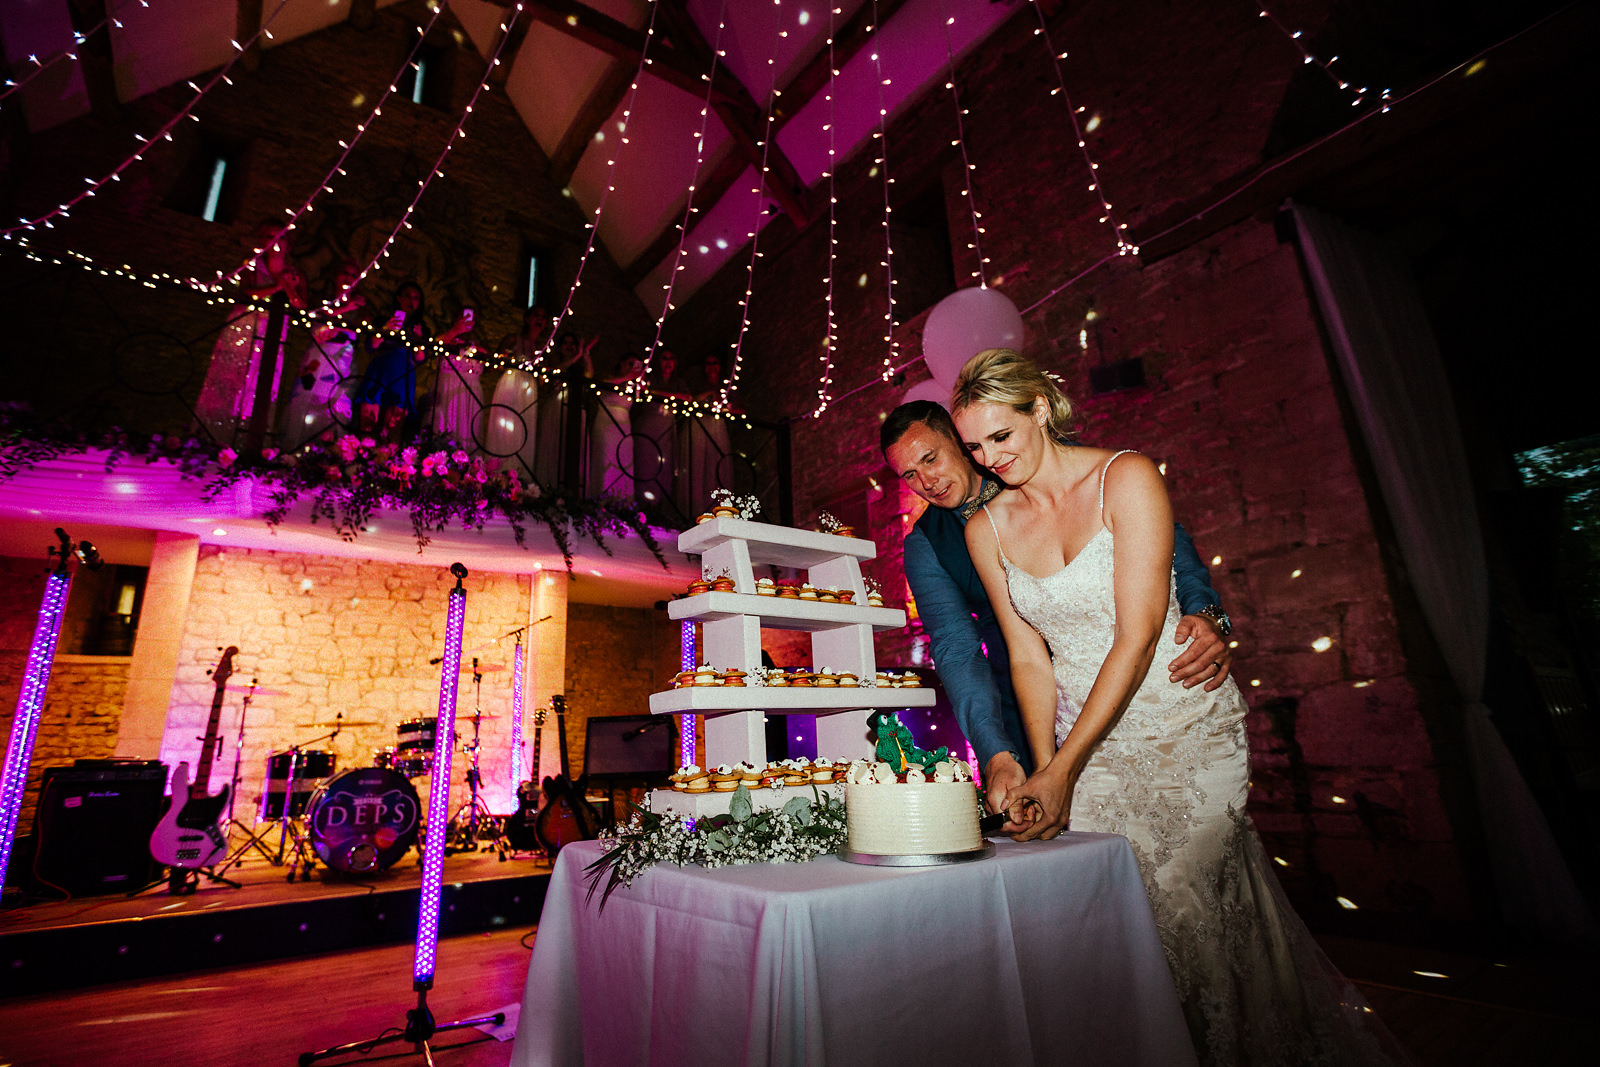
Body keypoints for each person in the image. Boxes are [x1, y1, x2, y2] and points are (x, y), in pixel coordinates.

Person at [950, 348, 1402, 1067]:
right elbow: (1028, 656)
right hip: (1084, 744)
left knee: (1185, 907)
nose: (989, 458)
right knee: (1120, 925)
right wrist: (1046, 770)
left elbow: (1137, 634)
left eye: (1000, 436)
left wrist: (1064, 767)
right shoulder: (985, 527)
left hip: (1182, 725)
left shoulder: (1125, 477)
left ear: (1039, 408)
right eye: (974, 446)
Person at [880, 399, 1232, 813]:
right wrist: (995, 751)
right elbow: (956, 647)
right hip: (1029, 702)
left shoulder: (1050, 466)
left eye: (931, 459)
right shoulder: (924, 545)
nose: (927, 481)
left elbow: (1166, 541)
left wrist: (1206, 613)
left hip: (1133, 666)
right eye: (909, 475)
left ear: (959, 443)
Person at [280, 260, 363, 450]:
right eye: (344, 273)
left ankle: (330, 451)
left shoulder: (361, 307)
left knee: (335, 404)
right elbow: (315, 324)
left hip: (341, 360)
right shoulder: (322, 301)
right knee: (306, 399)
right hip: (317, 358)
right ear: (335, 276)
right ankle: (296, 448)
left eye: (353, 275)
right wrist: (343, 310)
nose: (348, 279)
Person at [356, 281, 427, 441]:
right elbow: (370, 346)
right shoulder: (383, 319)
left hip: (403, 376)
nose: (411, 301)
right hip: (380, 371)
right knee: (367, 425)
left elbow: (421, 358)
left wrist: (419, 339)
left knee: (392, 430)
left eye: (416, 298)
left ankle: (386, 462)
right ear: (399, 298)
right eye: (408, 296)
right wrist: (385, 329)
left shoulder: (420, 326)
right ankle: (360, 460)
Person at [487, 305, 551, 476]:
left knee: (524, 430)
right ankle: (498, 473)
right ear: (527, 319)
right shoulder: (512, 339)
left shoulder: (542, 349)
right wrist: (504, 358)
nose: (540, 319)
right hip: (511, 384)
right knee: (506, 426)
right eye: (536, 315)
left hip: (530, 392)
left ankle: (518, 477)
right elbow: (493, 365)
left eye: (543, 317)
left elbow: (544, 382)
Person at [432, 306, 486, 447]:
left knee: (467, 430)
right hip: (446, 388)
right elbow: (434, 347)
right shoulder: (445, 338)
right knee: (442, 426)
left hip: (469, 394)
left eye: (472, 318)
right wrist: (455, 331)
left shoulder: (480, 347)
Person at [590, 354, 642, 498]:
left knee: (623, 459)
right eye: (629, 363)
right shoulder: (610, 377)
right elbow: (602, 383)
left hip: (624, 424)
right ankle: (602, 496)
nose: (631, 367)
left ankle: (623, 499)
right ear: (621, 363)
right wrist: (628, 377)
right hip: (606, 420)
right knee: (605, 456)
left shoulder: (632, 385)